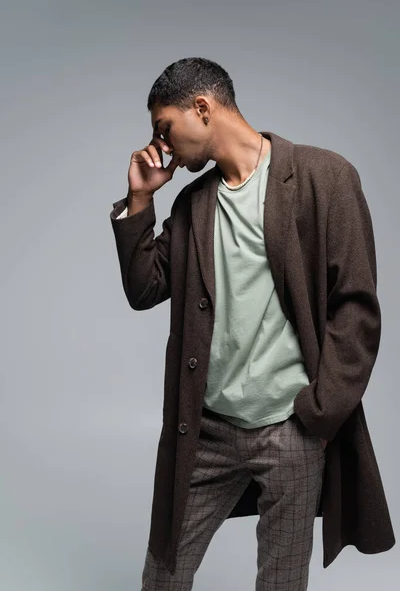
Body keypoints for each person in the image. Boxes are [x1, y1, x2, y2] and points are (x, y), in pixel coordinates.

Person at [109, 57, 393, 590]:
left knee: (282, 582)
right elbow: (146, 289)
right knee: (163, 577)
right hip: (208, 430)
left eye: (163, 127)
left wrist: (319, 412)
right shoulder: (194, 204)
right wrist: (141, 200)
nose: (161, 145)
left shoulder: (324, 177)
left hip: (291, 428)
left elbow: (355, 308)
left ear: (202, 108)